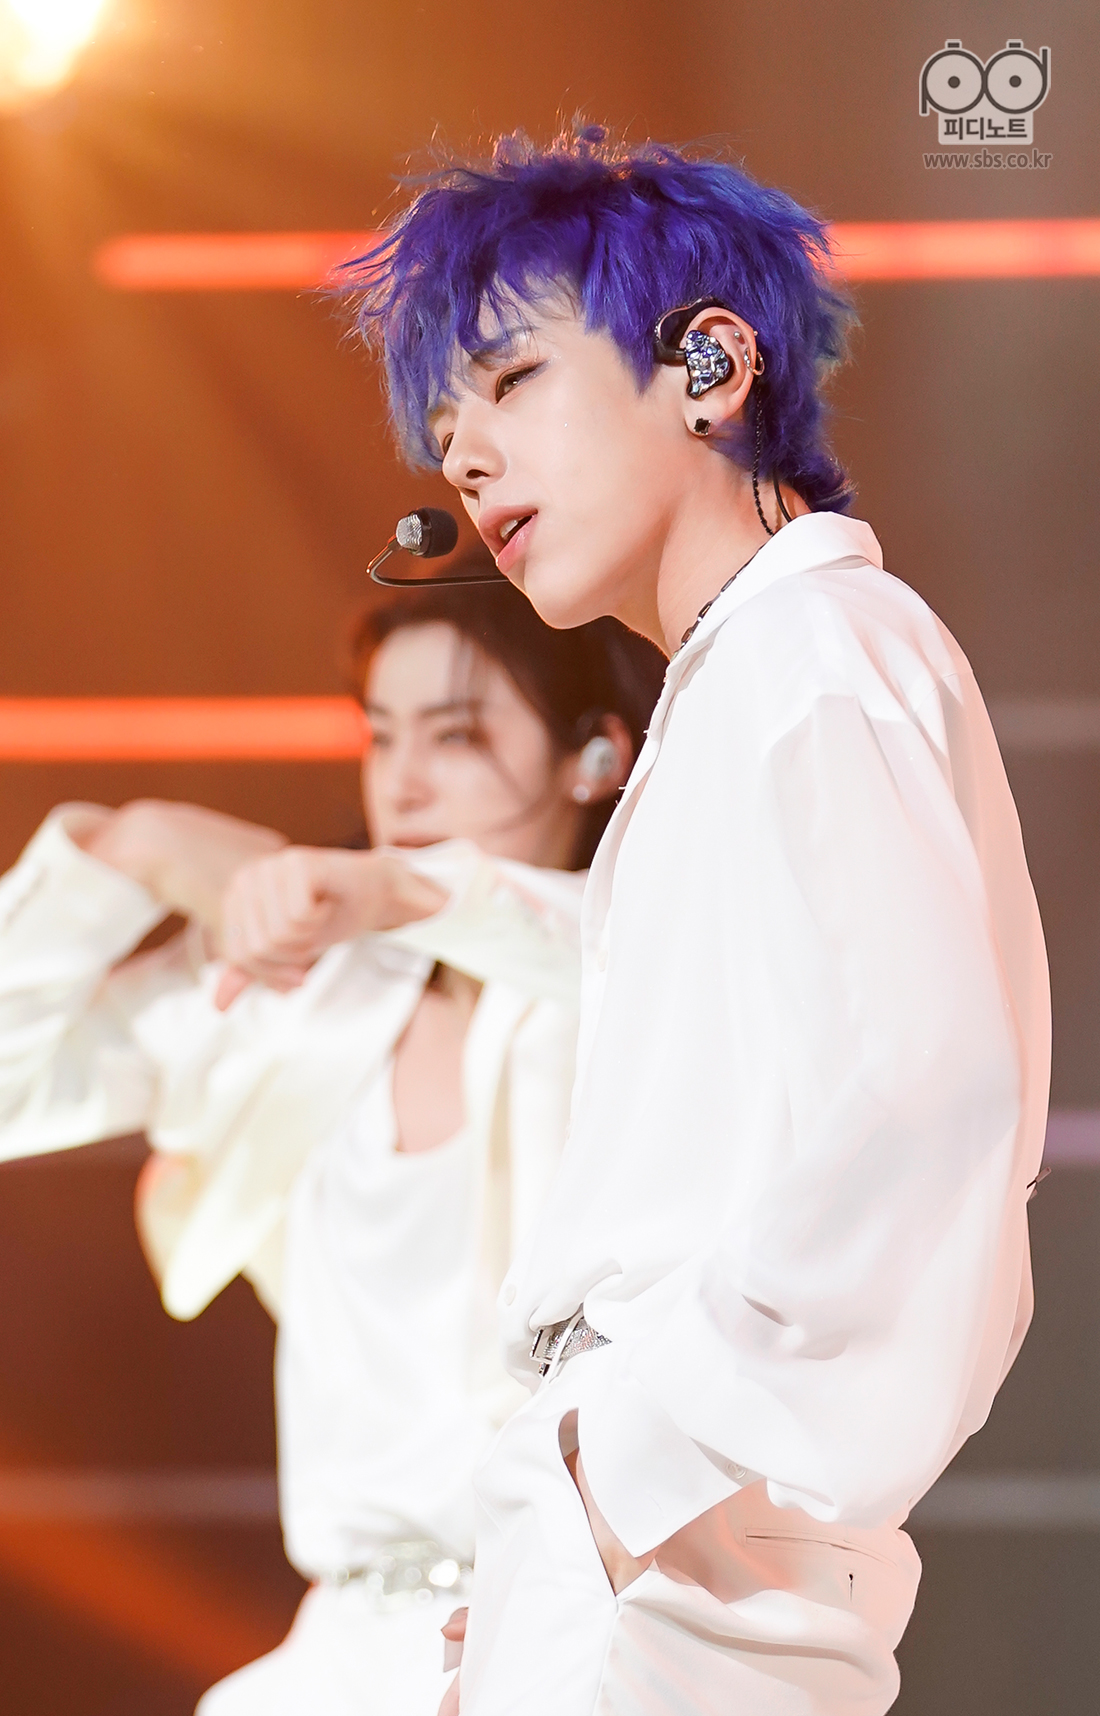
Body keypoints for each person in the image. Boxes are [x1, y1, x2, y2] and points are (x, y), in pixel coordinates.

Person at [348, 126, 1051, 1715]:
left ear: (710, 366)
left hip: (675, 1556)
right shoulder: (750, 678)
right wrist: (552, 1522)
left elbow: (930, 1101)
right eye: (446, 429)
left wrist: (627, 1471)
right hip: (631, 1546)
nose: (464, 461)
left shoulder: (816, 648)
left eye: (512, 382)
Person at [0, 563, 665, 1716]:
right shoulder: (297, 995)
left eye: (456, 735)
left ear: (594, 755)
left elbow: (586, 945)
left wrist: (382, 896)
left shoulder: (636, 970)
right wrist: (127, 850)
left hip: (595, 1630)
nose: (402, 782)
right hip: (345, 1650)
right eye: (381, 734)